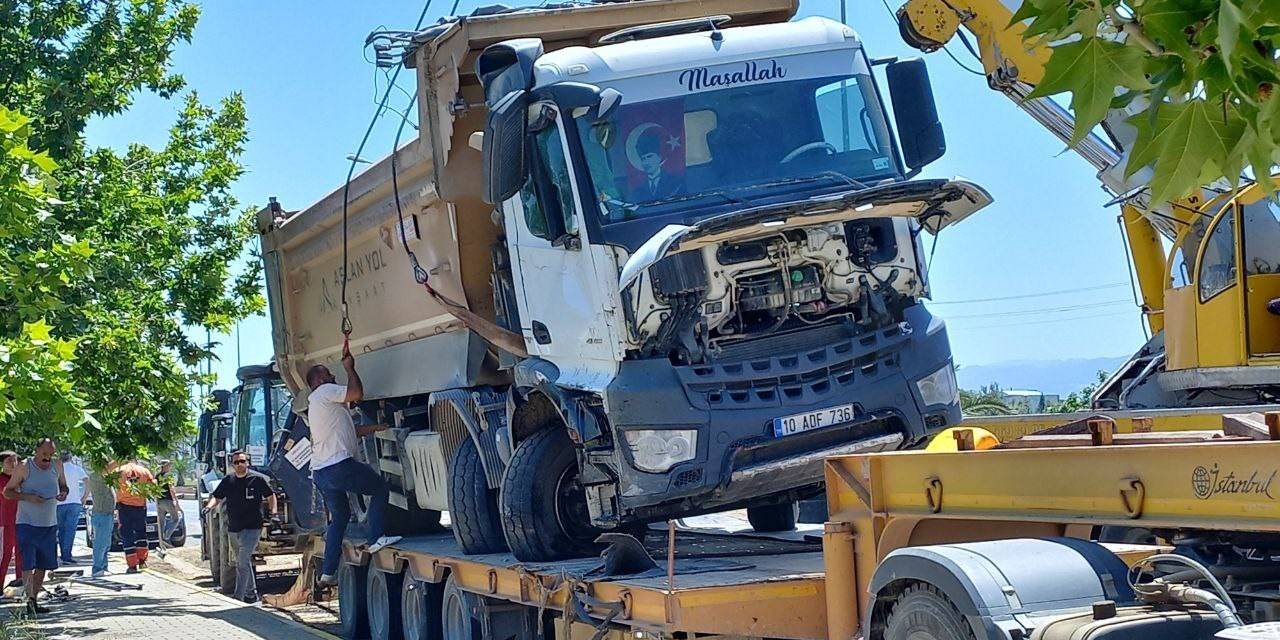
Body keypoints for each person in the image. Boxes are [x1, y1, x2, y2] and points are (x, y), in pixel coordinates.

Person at [306, 344, 399, 587]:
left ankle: (328, 572)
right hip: (339, 467)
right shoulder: (325, 391)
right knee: (379, 488)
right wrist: (350, 368)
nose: (332, 376)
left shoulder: (318, 404)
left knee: (339, 518)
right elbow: (356, 392)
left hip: (321, 472)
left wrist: (377, 428)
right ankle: (376, 537)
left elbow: (351, 430)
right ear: (318, 380)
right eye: (327, 373)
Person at [3, 438, 69, 616]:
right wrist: (28, 497)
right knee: (27, 563)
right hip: (27, 523)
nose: (48, 458)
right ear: (36, 451)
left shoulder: (57, 465)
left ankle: (34, 600)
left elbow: (64, 485)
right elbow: (7, 492)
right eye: (44, 454)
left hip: (49, 523)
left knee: (43, 564)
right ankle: (28, 601)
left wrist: (63, 492)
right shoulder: (25, 466)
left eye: (51, 454)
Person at [204, 450, 276, 603]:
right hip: (234, 528)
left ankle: (238, 597)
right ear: (232, 464)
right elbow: (217, 497)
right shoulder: (228, 480)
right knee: (243, 562)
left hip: (253, 527)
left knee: (242, 562)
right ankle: (252, 593)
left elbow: (270, 496)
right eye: (236, 462)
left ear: (247, 463)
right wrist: (209, 507)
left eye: (242, 461)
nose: (239, 464)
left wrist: (274, 512)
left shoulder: (257, 480)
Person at [114, 459, 153, 573]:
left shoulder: (118, 471)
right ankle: (142, 560)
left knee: (127, 535)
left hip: (124, 507)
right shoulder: (144, 471)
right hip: (140, 507)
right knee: (141, 533)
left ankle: (132, 565)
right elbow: (152, 485)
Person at [84, 461, 117, 577]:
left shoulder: (104, 476)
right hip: (102, 514)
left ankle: (103, 566)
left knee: (106, 543)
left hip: (107, 514)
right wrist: (122, 457)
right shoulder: (96, 476)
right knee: (100, 543)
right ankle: (97, 568)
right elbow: (110, 467)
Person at [55, 452, 87, 565]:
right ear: (70, 457)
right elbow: (87, 481)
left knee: (60, 530)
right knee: (70, 530)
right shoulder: (76, 469)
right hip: (74, 502)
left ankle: (62, 554)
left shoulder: (56, 469)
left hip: (59, 502)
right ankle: (66, 555)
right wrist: (84, 497)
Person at [0, 452, 23, 589]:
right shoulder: (2, 479)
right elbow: (8, 493)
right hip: (4, 523)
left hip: (20, 521)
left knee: (21, 554)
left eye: (15, 461)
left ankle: (20, 583)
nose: (13, 464)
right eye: (9, 461)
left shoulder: (20, 480)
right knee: (5, 555)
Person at [155, 459, 182, 556]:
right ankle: (166, 537)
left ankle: (161, 542)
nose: (170, 467)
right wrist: (176, 502)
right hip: (168, 501)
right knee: (176, 519)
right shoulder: (168, 476)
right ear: (165, 466)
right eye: (169, 465)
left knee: (161, 522)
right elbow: (171, 489)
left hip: (159, 502)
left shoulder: (157, 476)